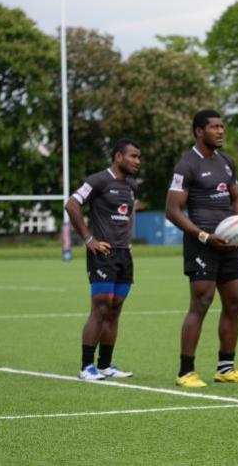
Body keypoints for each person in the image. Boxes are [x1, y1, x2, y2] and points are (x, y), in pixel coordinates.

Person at [166, 109, 238, 388]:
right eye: (214, 127)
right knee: (201, 303)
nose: (220, 131)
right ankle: (186, 371)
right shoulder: (187, 165)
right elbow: (172, 210)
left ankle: (226, 368)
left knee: (235, 302)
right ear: (199, 131)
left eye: (222, 126)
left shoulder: (227, 162)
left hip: (229, 245)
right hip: (202, 245)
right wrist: (205, 236)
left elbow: (237, 199)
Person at [66, 138, 141, 381]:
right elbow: (72, 205)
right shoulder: (97, 180)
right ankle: (87, 367)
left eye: (139, 157)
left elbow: (129, 216)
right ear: (118, 156)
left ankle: (105, 365)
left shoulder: (132, 186)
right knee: (100, 307)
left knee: (115, 309)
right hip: (102, 254)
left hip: (123, 254)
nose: (137, 162)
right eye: (133, 156)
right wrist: (89, 240)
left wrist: (128, 243)